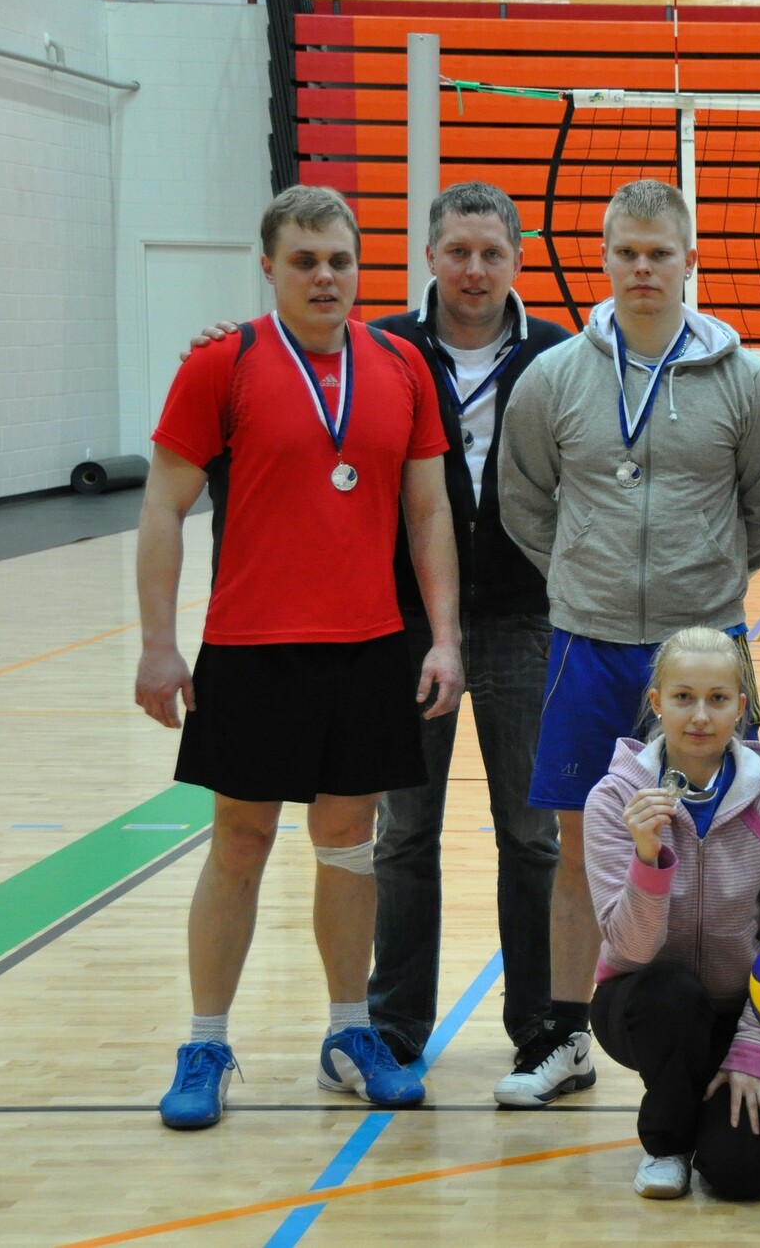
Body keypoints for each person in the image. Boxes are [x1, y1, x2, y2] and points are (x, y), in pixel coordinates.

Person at [185, 183, 582, 1096]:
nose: (474, 270)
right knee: (402, 834)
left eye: (491, 252)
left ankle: (542, 1024)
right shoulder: (387, 348)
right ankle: (393, 1023)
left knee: (532, 834)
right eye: (457, 252)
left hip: (528, 616)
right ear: (428, 257)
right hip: (403, 622)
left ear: (517, 259)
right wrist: (217, 344)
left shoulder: (562, 356)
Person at [135, 184, 463, 1130]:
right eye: (305, 261)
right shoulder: (222, 363)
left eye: (340, 260)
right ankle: (205, 1042)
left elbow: (428, 511)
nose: (325, 277)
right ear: (269, 267)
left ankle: (351, 1032)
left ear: (360, 267)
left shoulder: (399, 364)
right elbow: (162, 506)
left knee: (350, 845)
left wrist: (444, 638)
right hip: (250, 650)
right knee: (239, 842)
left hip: (368, 649)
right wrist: (158, 645)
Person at [496, 179, 760, 1108]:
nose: (642, 268)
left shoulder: (747, 381)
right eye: (625, 251)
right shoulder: (555, 377)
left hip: (704, 648)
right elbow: (524, 500)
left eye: (659, 253)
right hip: (587, 644)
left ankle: (746, 1037)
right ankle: (564, 1035)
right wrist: (583, 574)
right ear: (603, 258)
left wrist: (699, 584)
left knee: (731, 846)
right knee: (579, 840)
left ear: (689, 261)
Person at [584, 627, 760, 1199]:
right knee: (671, 994)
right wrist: (648, 859)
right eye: (683, 697)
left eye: (718, 699)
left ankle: (728, 1094)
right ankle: (666, 1143)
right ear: (657, 702)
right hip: (647, 1005)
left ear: (741, 707)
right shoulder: (614, 799)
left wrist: (757, 1042)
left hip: (747, 1008)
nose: (701, 716)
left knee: (743, 1175)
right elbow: (631, 949)